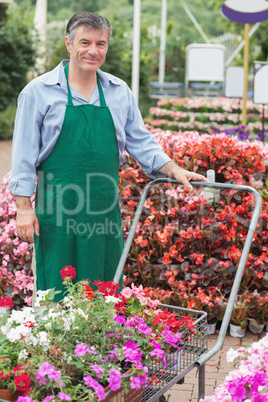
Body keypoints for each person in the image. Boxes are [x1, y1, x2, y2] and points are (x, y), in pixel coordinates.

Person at [9, 12, 207, 302]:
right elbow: (23, 156)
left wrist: (175, 170)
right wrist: (24, 209)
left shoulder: (118, 92)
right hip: (55, 211)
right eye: (85, 42)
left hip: (103, 210)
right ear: (68, 43)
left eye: (101, 44)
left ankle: (98, 347)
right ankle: (54, 347)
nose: (93, 51)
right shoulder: (38, 92)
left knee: (103, 287)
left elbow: (142, 143)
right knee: (54, 288)